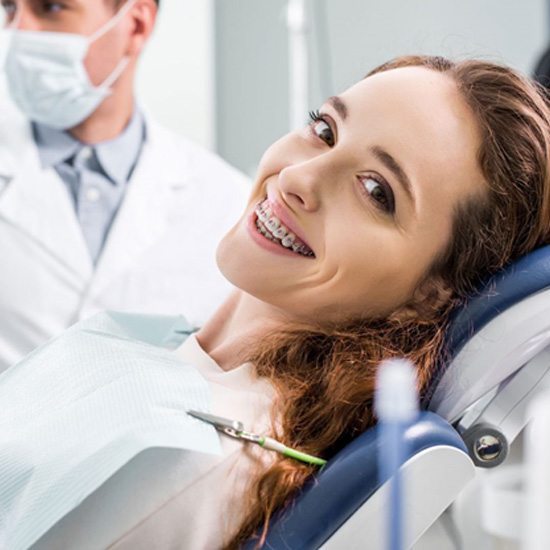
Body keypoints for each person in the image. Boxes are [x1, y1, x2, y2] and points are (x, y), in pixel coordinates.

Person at [1, 55, 549, 549]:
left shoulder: (183, 462)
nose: (297, 177)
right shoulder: (171, 351)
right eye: (325, 129)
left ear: (431, 294)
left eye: (376, 191)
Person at [0, 0, 249, 372]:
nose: (18, 31)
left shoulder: (228, 204)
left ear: (135, 25)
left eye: (50, 8)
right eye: (9, 8)